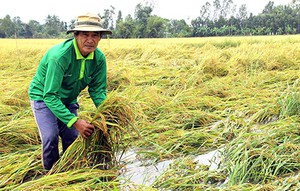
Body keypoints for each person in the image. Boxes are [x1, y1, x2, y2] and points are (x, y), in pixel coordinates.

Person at [28, 13, 112, 171]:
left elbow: (97, 90)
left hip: (68, 99)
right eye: (85, 34)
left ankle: (70, 170)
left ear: (100, 37)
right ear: (75, 35)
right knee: (51, 137)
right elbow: (50, 95)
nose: (90, 40)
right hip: (43, 97)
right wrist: (75, 121)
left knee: (72, 137)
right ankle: (51, 175)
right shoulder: (59, 57)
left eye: (95, 35)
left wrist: (107, 113)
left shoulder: (99, 59)